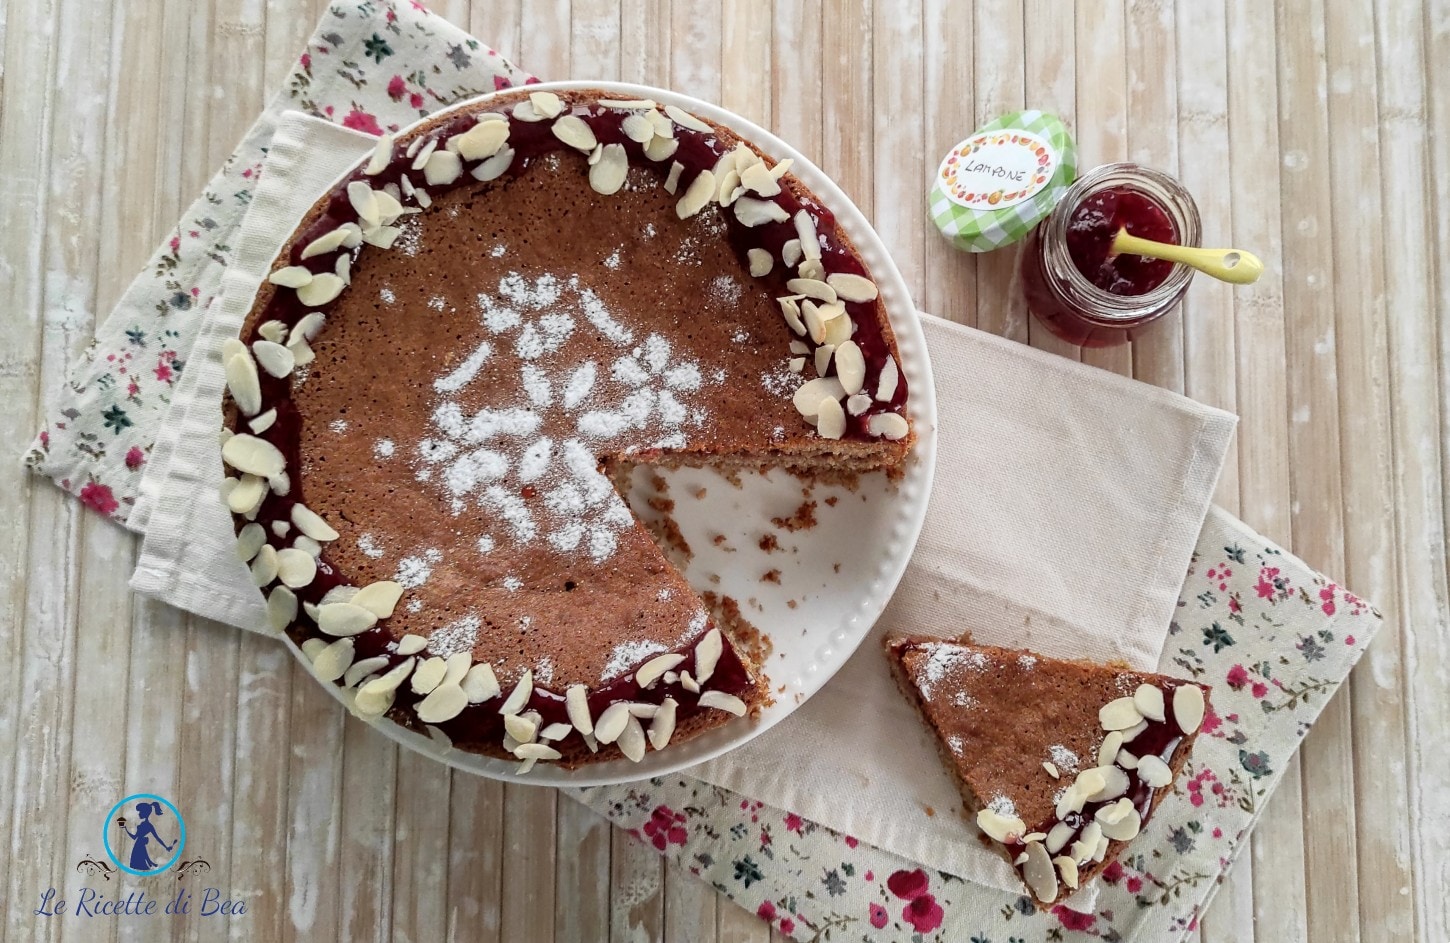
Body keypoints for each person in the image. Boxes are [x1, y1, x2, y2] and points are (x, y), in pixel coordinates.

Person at [124, 801, 173, 871]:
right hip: (138, 844)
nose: (139, 813)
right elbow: (134, 837)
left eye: (140, 812)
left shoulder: (148, 826)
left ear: (145, 813)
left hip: (139, 844)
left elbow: (157, 838)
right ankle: (151, 864)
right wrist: (126, 829)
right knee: (142, 862)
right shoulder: (144, 824)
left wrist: (166, 847)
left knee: (141, 864)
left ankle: (151, 864)